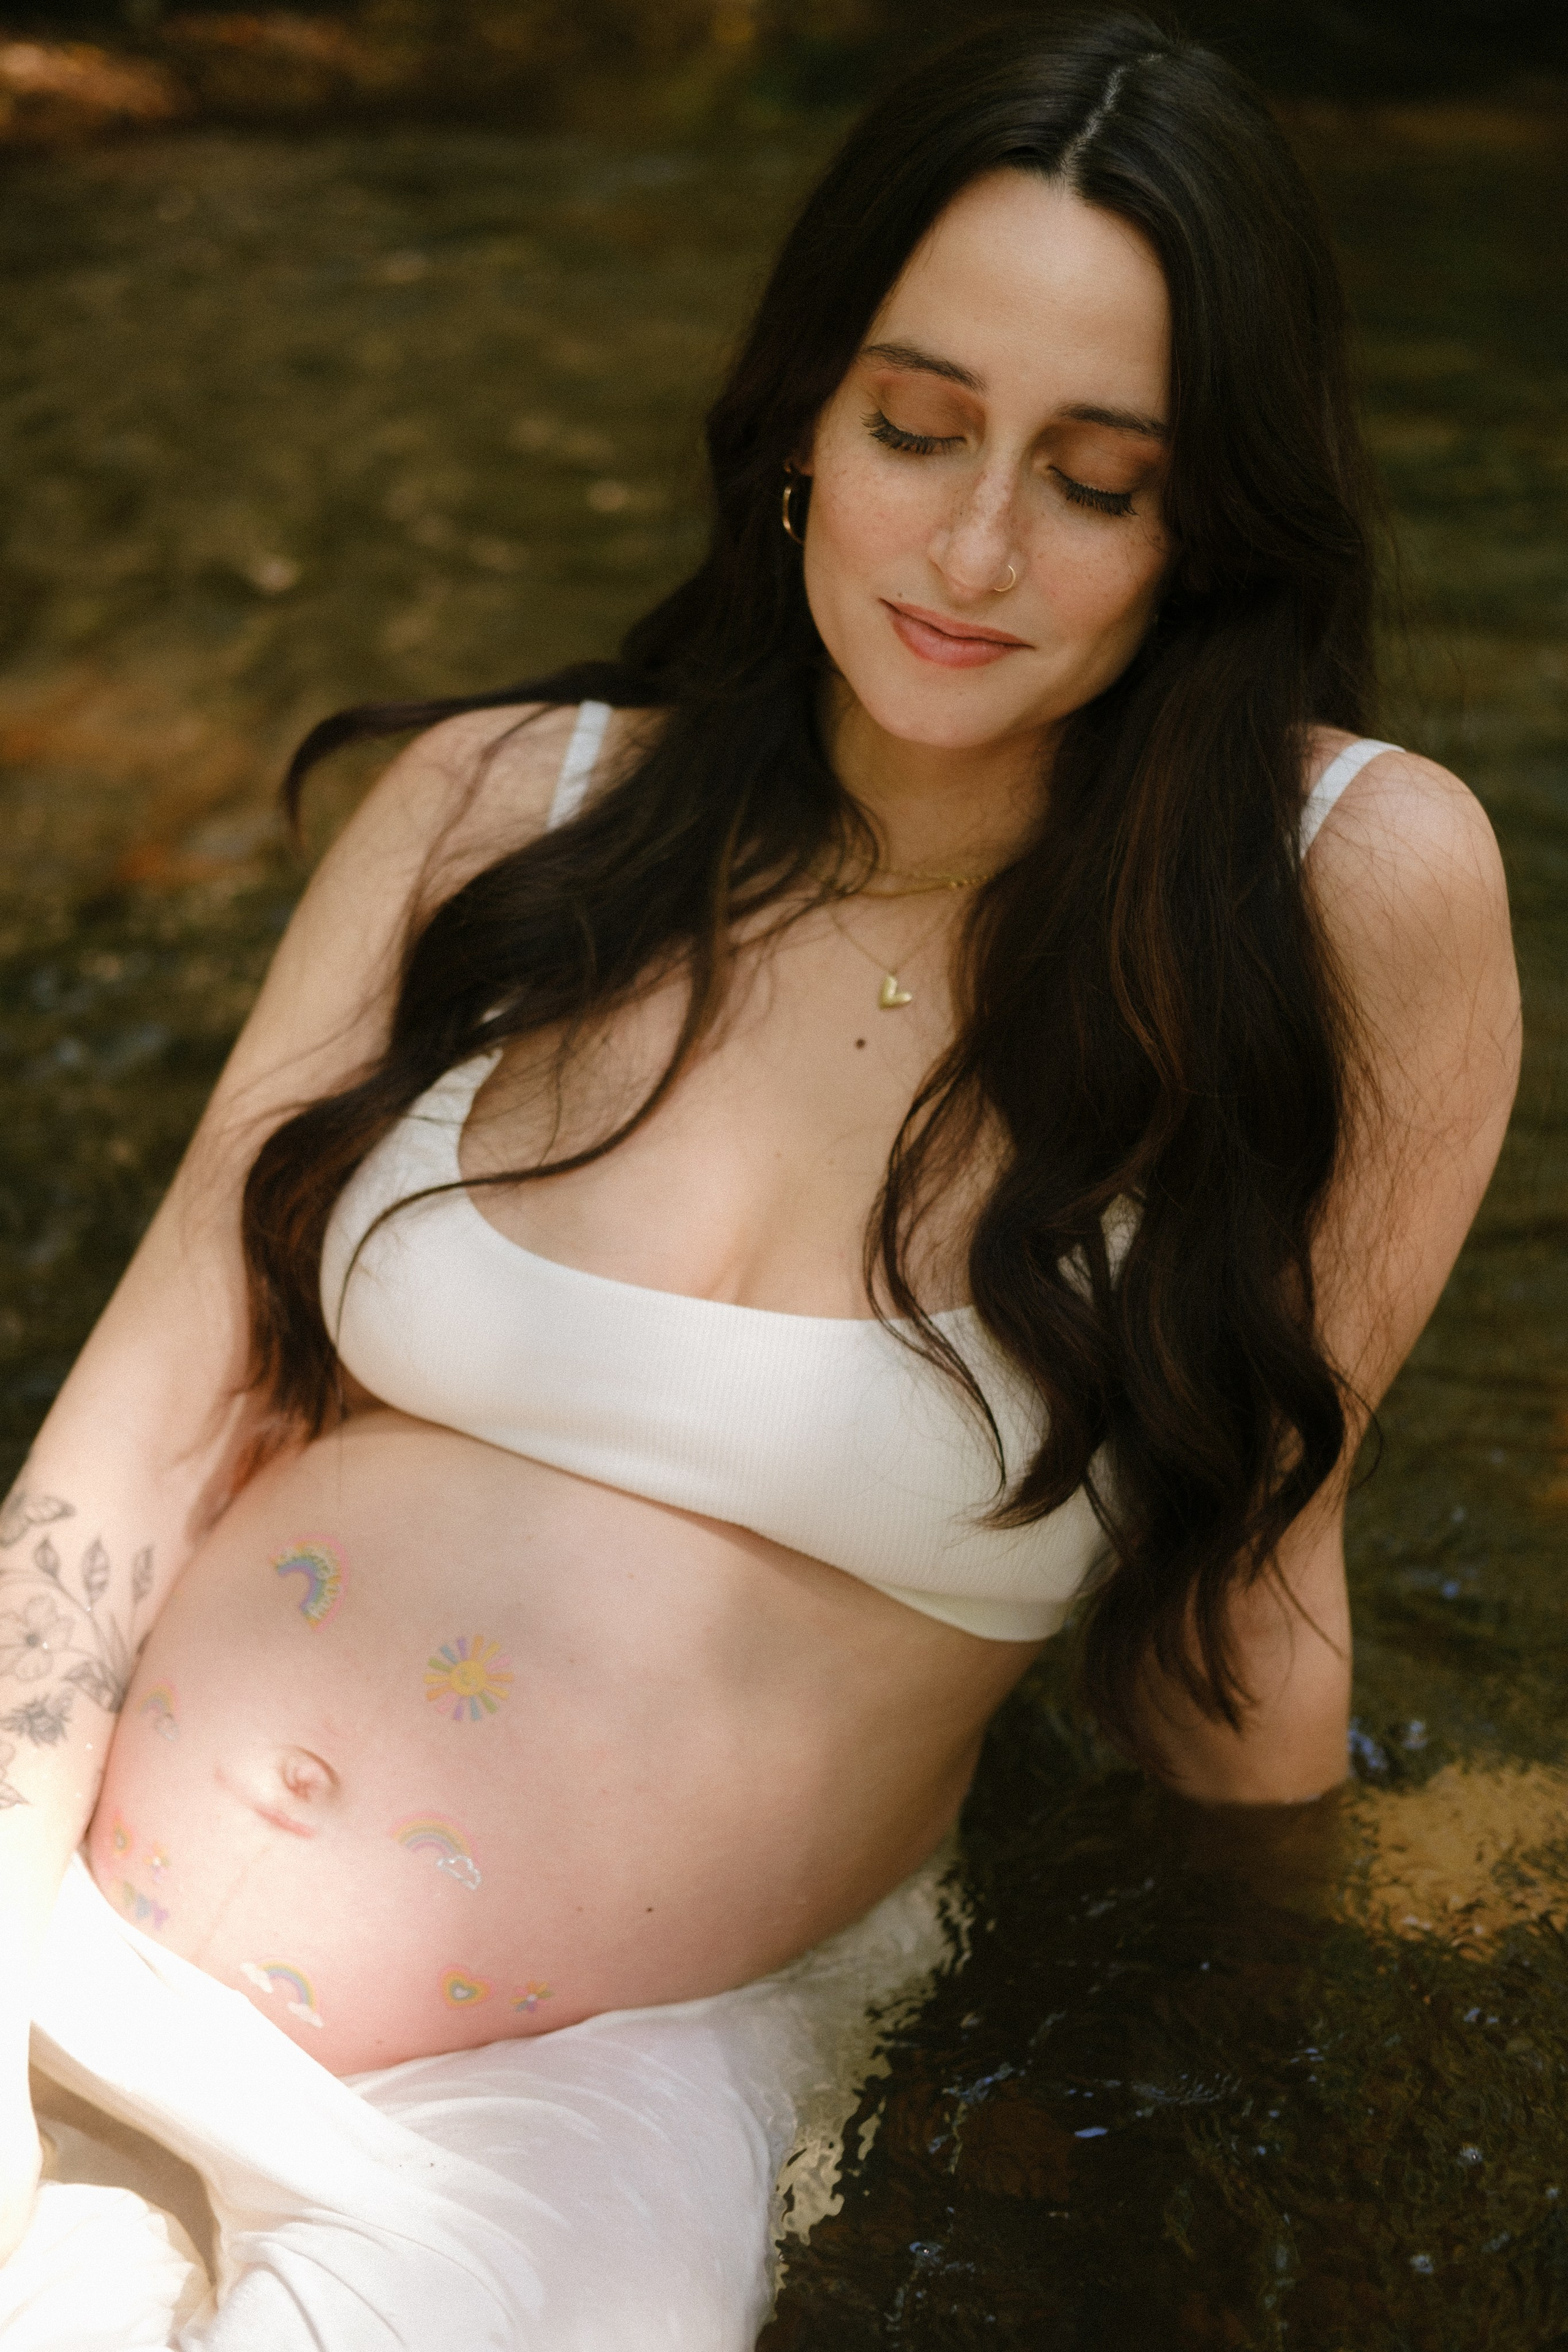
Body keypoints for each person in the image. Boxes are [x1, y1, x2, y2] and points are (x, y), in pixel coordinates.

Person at [0, 10, 1519, 2345]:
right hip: (68, 1905)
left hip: (565, 2118)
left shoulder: (1340, 895)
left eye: (1098, 478)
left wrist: (1297, 2034)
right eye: (917, 428)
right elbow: (146, 1411)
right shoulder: (506, 804)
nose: (977, 546)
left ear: (1211, 518)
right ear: (805, 417)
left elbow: (1245, 1578)